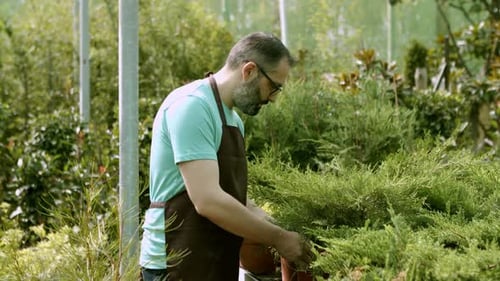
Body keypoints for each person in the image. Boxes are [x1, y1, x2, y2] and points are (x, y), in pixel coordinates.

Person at [139, 32, 314, 281]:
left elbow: (237, 200)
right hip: (174, 263)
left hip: (212, 261)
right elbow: (208, 200)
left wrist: (286, 227)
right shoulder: (192, 106)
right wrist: (279, 239)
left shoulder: (232, 120)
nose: (273, 98)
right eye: (274, 87)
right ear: (250, 71)